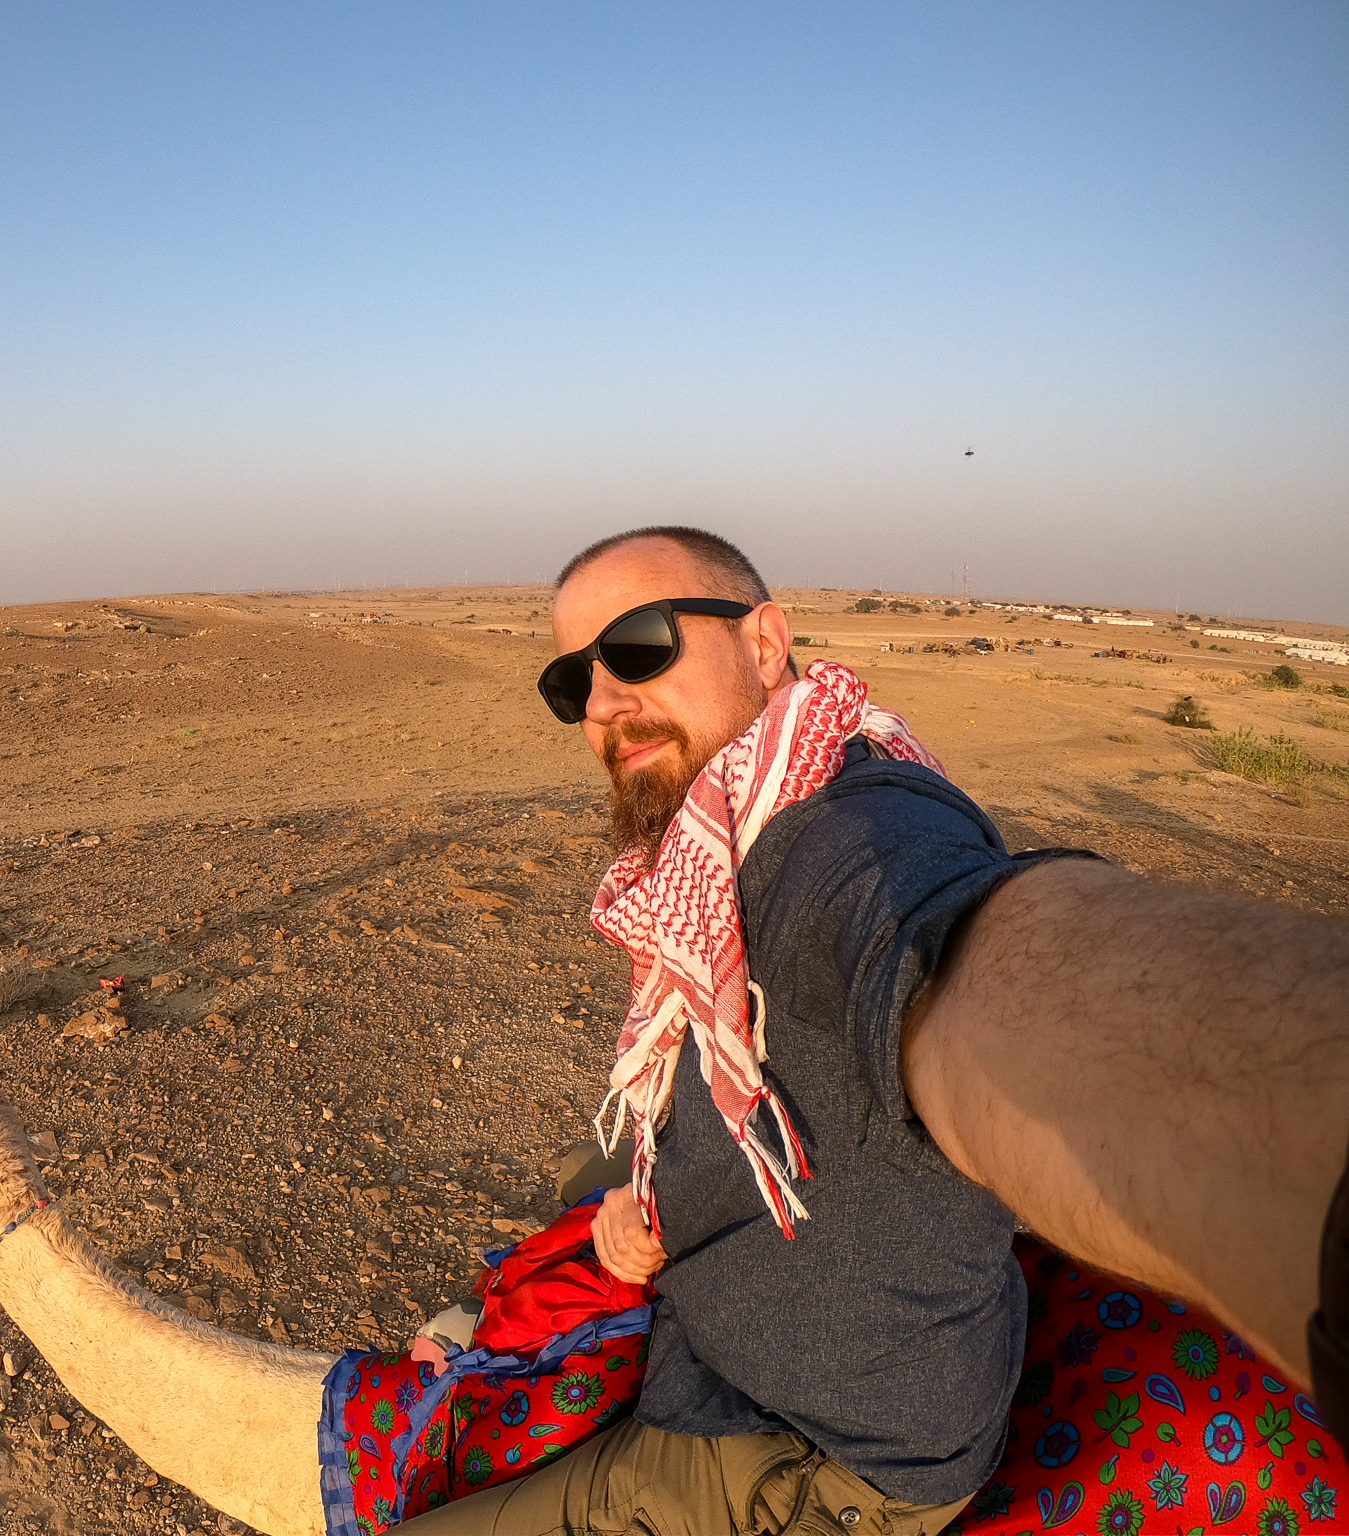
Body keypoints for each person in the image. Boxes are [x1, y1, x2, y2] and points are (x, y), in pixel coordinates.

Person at [400, 526, 1349, 1534]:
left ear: (764, 644)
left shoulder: (845, 839)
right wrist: (645, 1201)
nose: (598, 702)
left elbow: (959, 961)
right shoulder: (744, 821)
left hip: (798, 1451)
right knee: (585, 1178)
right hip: (752, 1335)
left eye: (636, 648)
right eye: (569, 680)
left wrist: (1302, 1168)